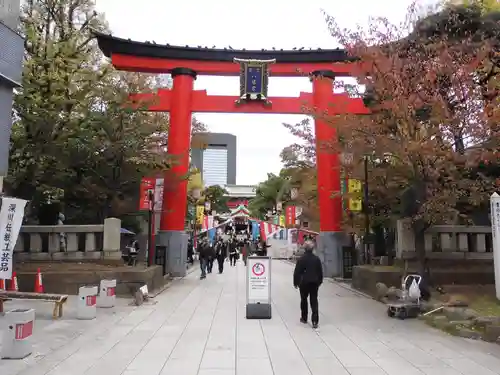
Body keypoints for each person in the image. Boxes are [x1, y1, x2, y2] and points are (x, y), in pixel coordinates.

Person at [293, 240, 323, 328]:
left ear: (305, 249)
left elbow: (297, 272)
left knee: (303, 300)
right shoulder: (316, 259)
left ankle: (304, 317)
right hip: (314, 282)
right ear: (313, 249)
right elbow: (320, 272)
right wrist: (319, 281)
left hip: (304, 283)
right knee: (314, 300)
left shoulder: (301, 259)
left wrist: (296, 282)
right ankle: (315, 320)